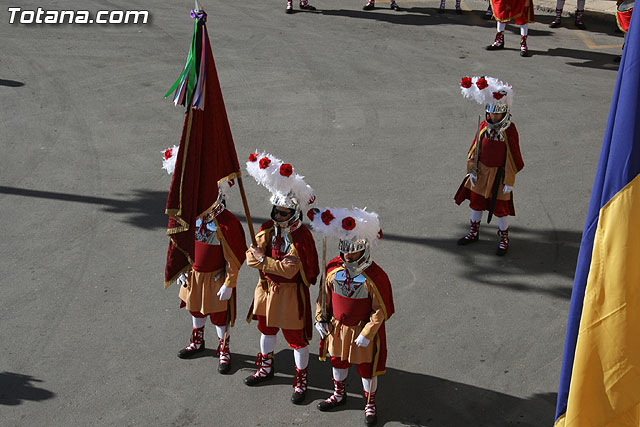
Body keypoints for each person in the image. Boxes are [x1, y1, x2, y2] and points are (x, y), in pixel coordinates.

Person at [243, 152, 319, 405]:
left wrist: (264, 260)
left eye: (283, 213)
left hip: (289, 295)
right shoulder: (267, 229)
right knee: (266, 331)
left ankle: (301, 378)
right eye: (276, 211)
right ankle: (265, 367)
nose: (277, 216)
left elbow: (290, 271)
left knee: (295, 339)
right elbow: (250, 258)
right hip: (265, 290)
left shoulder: (301, 238)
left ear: (294, 213)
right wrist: (268, 262)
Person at [309, 207, 394, 427]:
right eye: (345, 250)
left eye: (353, 251)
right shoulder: (333, 270)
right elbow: (323, 298)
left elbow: (381, 310)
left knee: (367, 370)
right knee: (338, 362)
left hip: (361, 331)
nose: (347, 255)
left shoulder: (375, 276)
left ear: (364, 250)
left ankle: (370, 403)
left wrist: (368, 333)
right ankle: (339, 394)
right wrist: (320, 318)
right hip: (337, 329)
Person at [176, 180, 247, 374]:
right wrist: (181, 269)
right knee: (195, 310)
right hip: (194, 276)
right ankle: (197, 341)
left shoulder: (227, 222)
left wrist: (229, 283)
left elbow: (234, 257)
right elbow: (181, 245)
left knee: (219, 317)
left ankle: (224, 350)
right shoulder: (191, 217)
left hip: (216, 279)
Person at [454, 76, 525, 256]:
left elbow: (513, 156)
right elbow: (474, 149)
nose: (494, 116)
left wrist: (509, 179)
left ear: (504, 113)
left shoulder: (509, 130)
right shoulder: (484, 126)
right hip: (482, 172)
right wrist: (472, 170)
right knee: (476, 204)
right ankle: (473, 232)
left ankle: (503, 237)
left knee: (501, 209)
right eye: (491, 113)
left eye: (497, 114)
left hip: (500, 176)